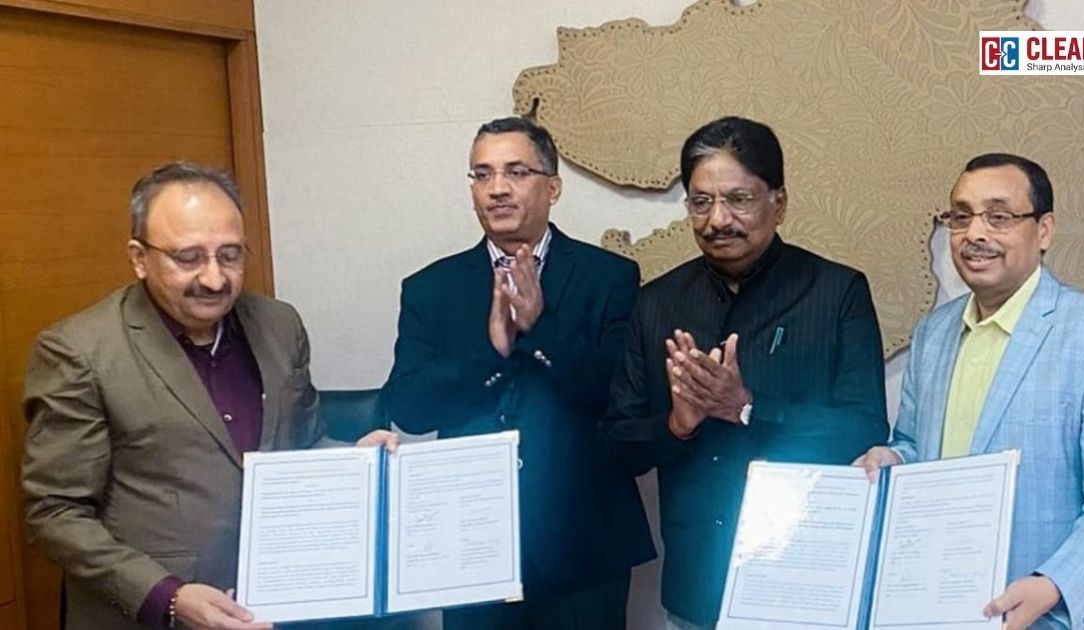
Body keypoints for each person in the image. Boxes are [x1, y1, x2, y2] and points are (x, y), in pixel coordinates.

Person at [855, 153, 1084, 630]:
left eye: (998, 217)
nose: (975, 234)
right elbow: (915, 446)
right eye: (961, 217)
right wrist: (892, 461)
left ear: (1043, 230)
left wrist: (1053, 583)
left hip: (1061, 618)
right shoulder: (934, 333)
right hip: (944, 612)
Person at [602, 116, 889, 629]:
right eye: (701, 201)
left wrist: (747, 409)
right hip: (697, 587)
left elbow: (862, 427)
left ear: (778, 202)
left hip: (806, 579)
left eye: (739, 199)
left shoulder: (836, 291)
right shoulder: (655, 303)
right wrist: (678, 425)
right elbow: (618, 445)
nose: (718, 220)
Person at [372, 116, 655, 630]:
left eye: (516, 172)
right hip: (470, 548)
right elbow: (409, 407)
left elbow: (620, 401)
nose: (496, 189)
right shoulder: (431, 288)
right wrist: (492, 351)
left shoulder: (609, 277)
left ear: (553, 186)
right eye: (481, 175)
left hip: (583, 546)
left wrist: (539, 329)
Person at [22, 162, 328, 630]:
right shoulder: (79, 351)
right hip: (150, 616)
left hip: (273, 608)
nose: (214, 278)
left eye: (230, 255)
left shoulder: (280, 325)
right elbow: (55, 512)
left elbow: (302, 446)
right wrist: (168, 596)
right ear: (139, 258)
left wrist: (360, 461)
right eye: (188, 258)